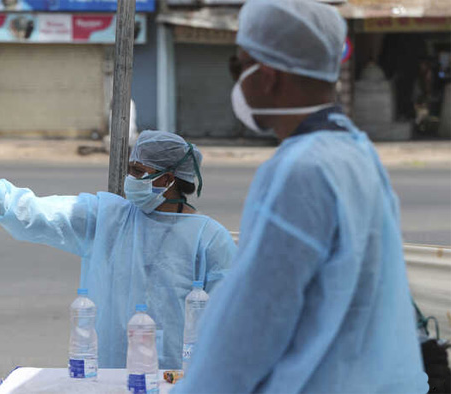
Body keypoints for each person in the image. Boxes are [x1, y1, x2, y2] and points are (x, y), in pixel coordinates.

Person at [174, 0, 429, 392]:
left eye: (239, 66)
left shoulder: (301, 170)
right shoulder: (357, 151)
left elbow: (251, 322)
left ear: (269, 77)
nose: (237, 80)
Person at [0, 130, 236, 369]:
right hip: (107, 373)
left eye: (138, 170)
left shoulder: (209, 239)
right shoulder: (108, 217)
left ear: (167, 179)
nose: (130, 178)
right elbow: (44, 212)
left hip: (179, 378)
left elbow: (232, 318)